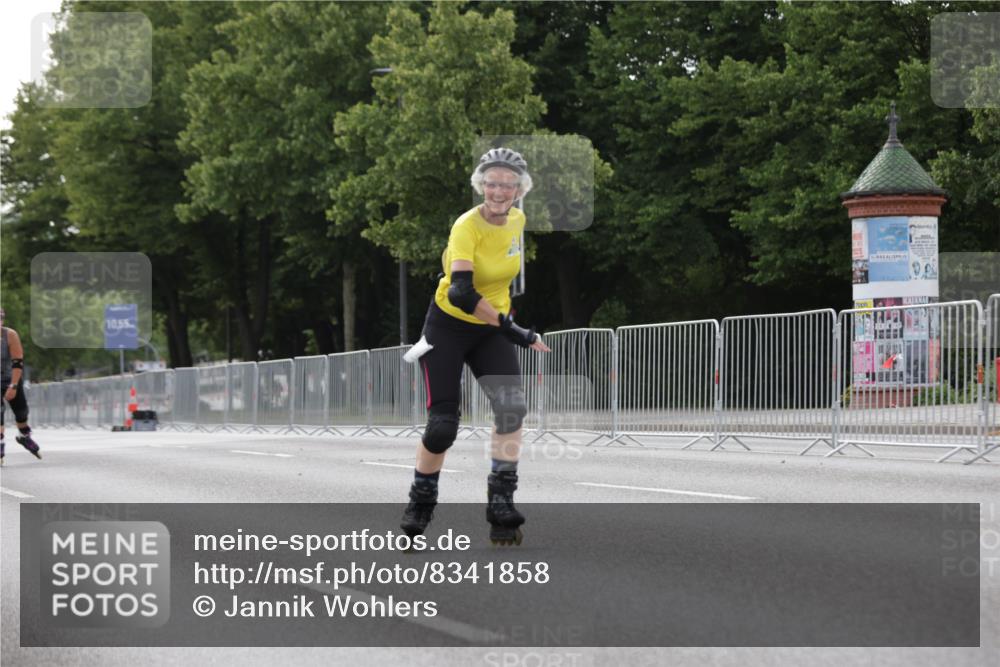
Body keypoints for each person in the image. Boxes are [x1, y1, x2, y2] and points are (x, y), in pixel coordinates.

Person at [400, 148, 551, 546]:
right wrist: (514, 329)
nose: (499, 190)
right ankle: (421, 501)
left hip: (488, 330)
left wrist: (503, 323)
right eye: (492, 182)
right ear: (480, 184)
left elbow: (500, 275)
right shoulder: (466, 226)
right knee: (443, 426)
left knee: (511, 408)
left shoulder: (517, 220)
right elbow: (463, 292)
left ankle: (500, 504)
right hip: (448, 325)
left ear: (520, 190)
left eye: (508, 183)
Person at [0, 309, 42, 464]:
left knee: (21, 413)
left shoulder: (10, 335)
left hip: (11, 378)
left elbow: (17, 362)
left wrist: (13, 385)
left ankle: (24, 437)